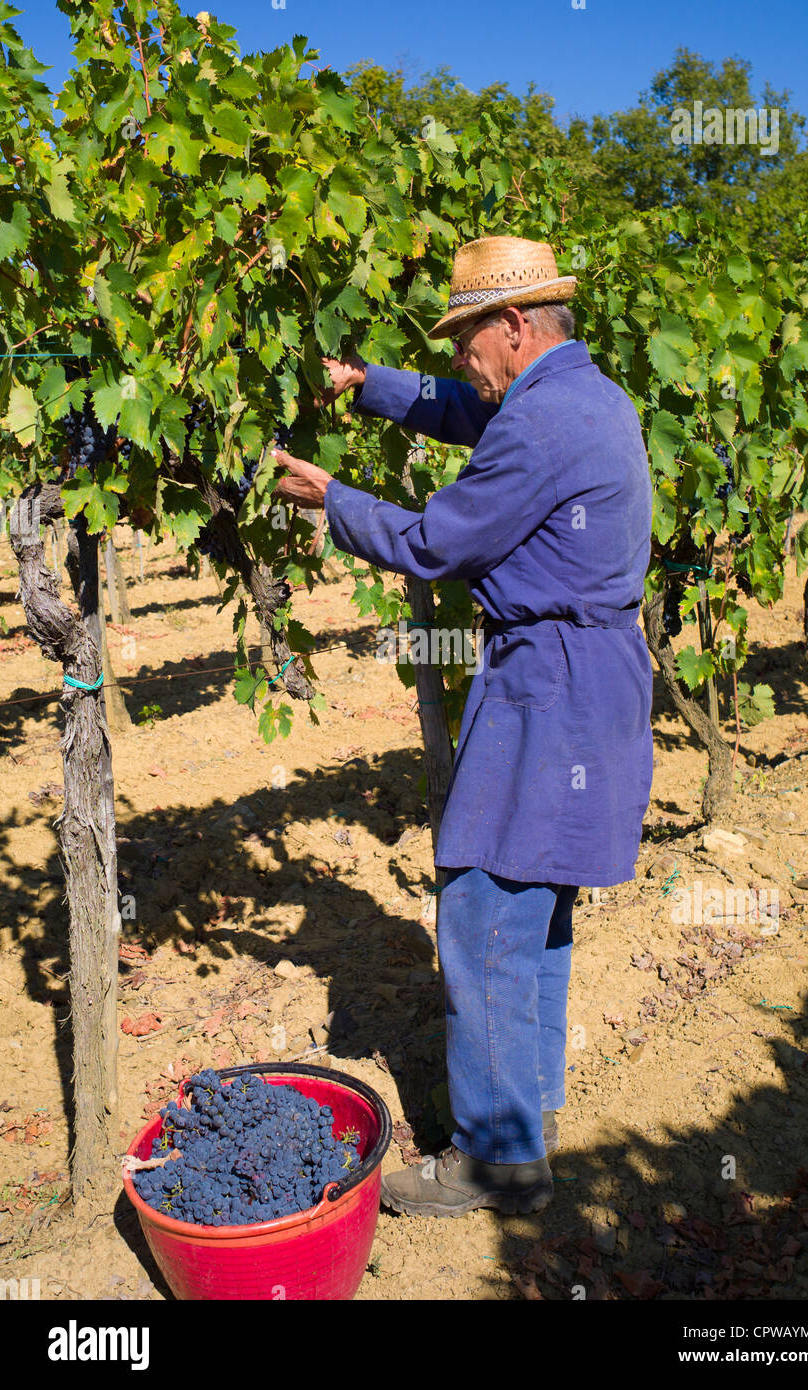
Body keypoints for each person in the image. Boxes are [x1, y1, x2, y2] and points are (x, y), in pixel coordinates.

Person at [272, 235, 654, 1217]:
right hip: (586, 681)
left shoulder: (543, 423)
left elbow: (436, 543)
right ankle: (525, 1124)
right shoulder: (579, 394)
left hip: (550, 689)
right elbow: (461, 407)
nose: (458, 362)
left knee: (484, 905)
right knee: (534, 906)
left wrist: (331, 499)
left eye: (464, 341)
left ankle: (492, 1160)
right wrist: (363, 384)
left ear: (512, 327)